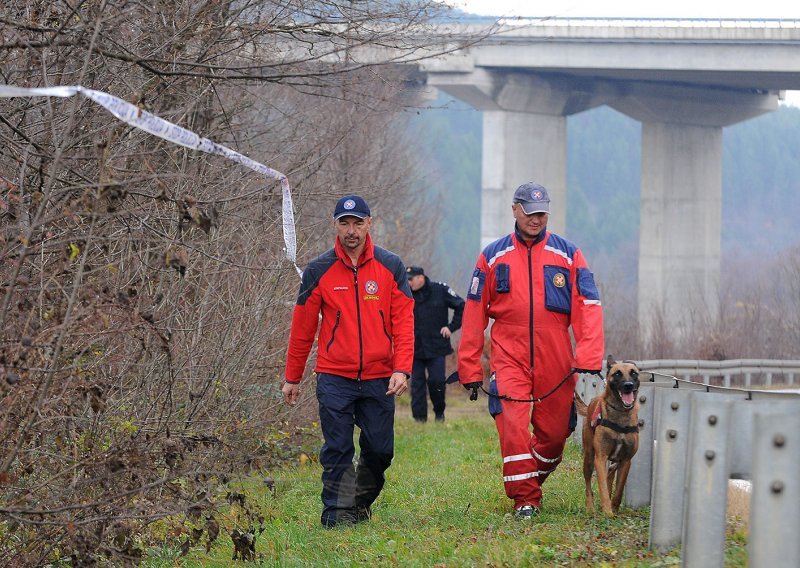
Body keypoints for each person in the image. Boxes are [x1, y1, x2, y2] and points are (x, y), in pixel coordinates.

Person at [457, 182, 604, 519]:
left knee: (554, 436)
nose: (537, 218)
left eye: (542, 212)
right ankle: (526, 499)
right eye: (530, 211)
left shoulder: (568, 254)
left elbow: (589, 305)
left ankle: (528, 479)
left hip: (557, 355)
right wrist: (469, 366)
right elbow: (474, 310)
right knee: (511, 423)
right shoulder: (492, 256)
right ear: (514, 210)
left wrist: (589, 357)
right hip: (509, 353)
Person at [281, 195, 415, 528]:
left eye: (358, 223)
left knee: (380, 451)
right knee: (338, 448)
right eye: (345, 223)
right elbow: (302, 328)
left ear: (370, 223)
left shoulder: (391, 266)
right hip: (334, 376)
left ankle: (359, 502)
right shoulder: (318, 270)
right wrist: (292, 376)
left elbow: (404, 322)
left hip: (380, 376)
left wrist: (402, 368)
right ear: (335, 225)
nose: (351, 230)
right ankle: (337, 515)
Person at [406, 266, 465, 422]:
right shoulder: (404, 293)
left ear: (421, 277)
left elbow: (461, 306)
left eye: (410, 279)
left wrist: (451, 327)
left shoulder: (440, 290)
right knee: (417, 386)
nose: (408, 282)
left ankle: (439, 414)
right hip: (415, 347)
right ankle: (419, 420)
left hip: (437, 347)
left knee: (437, 382)